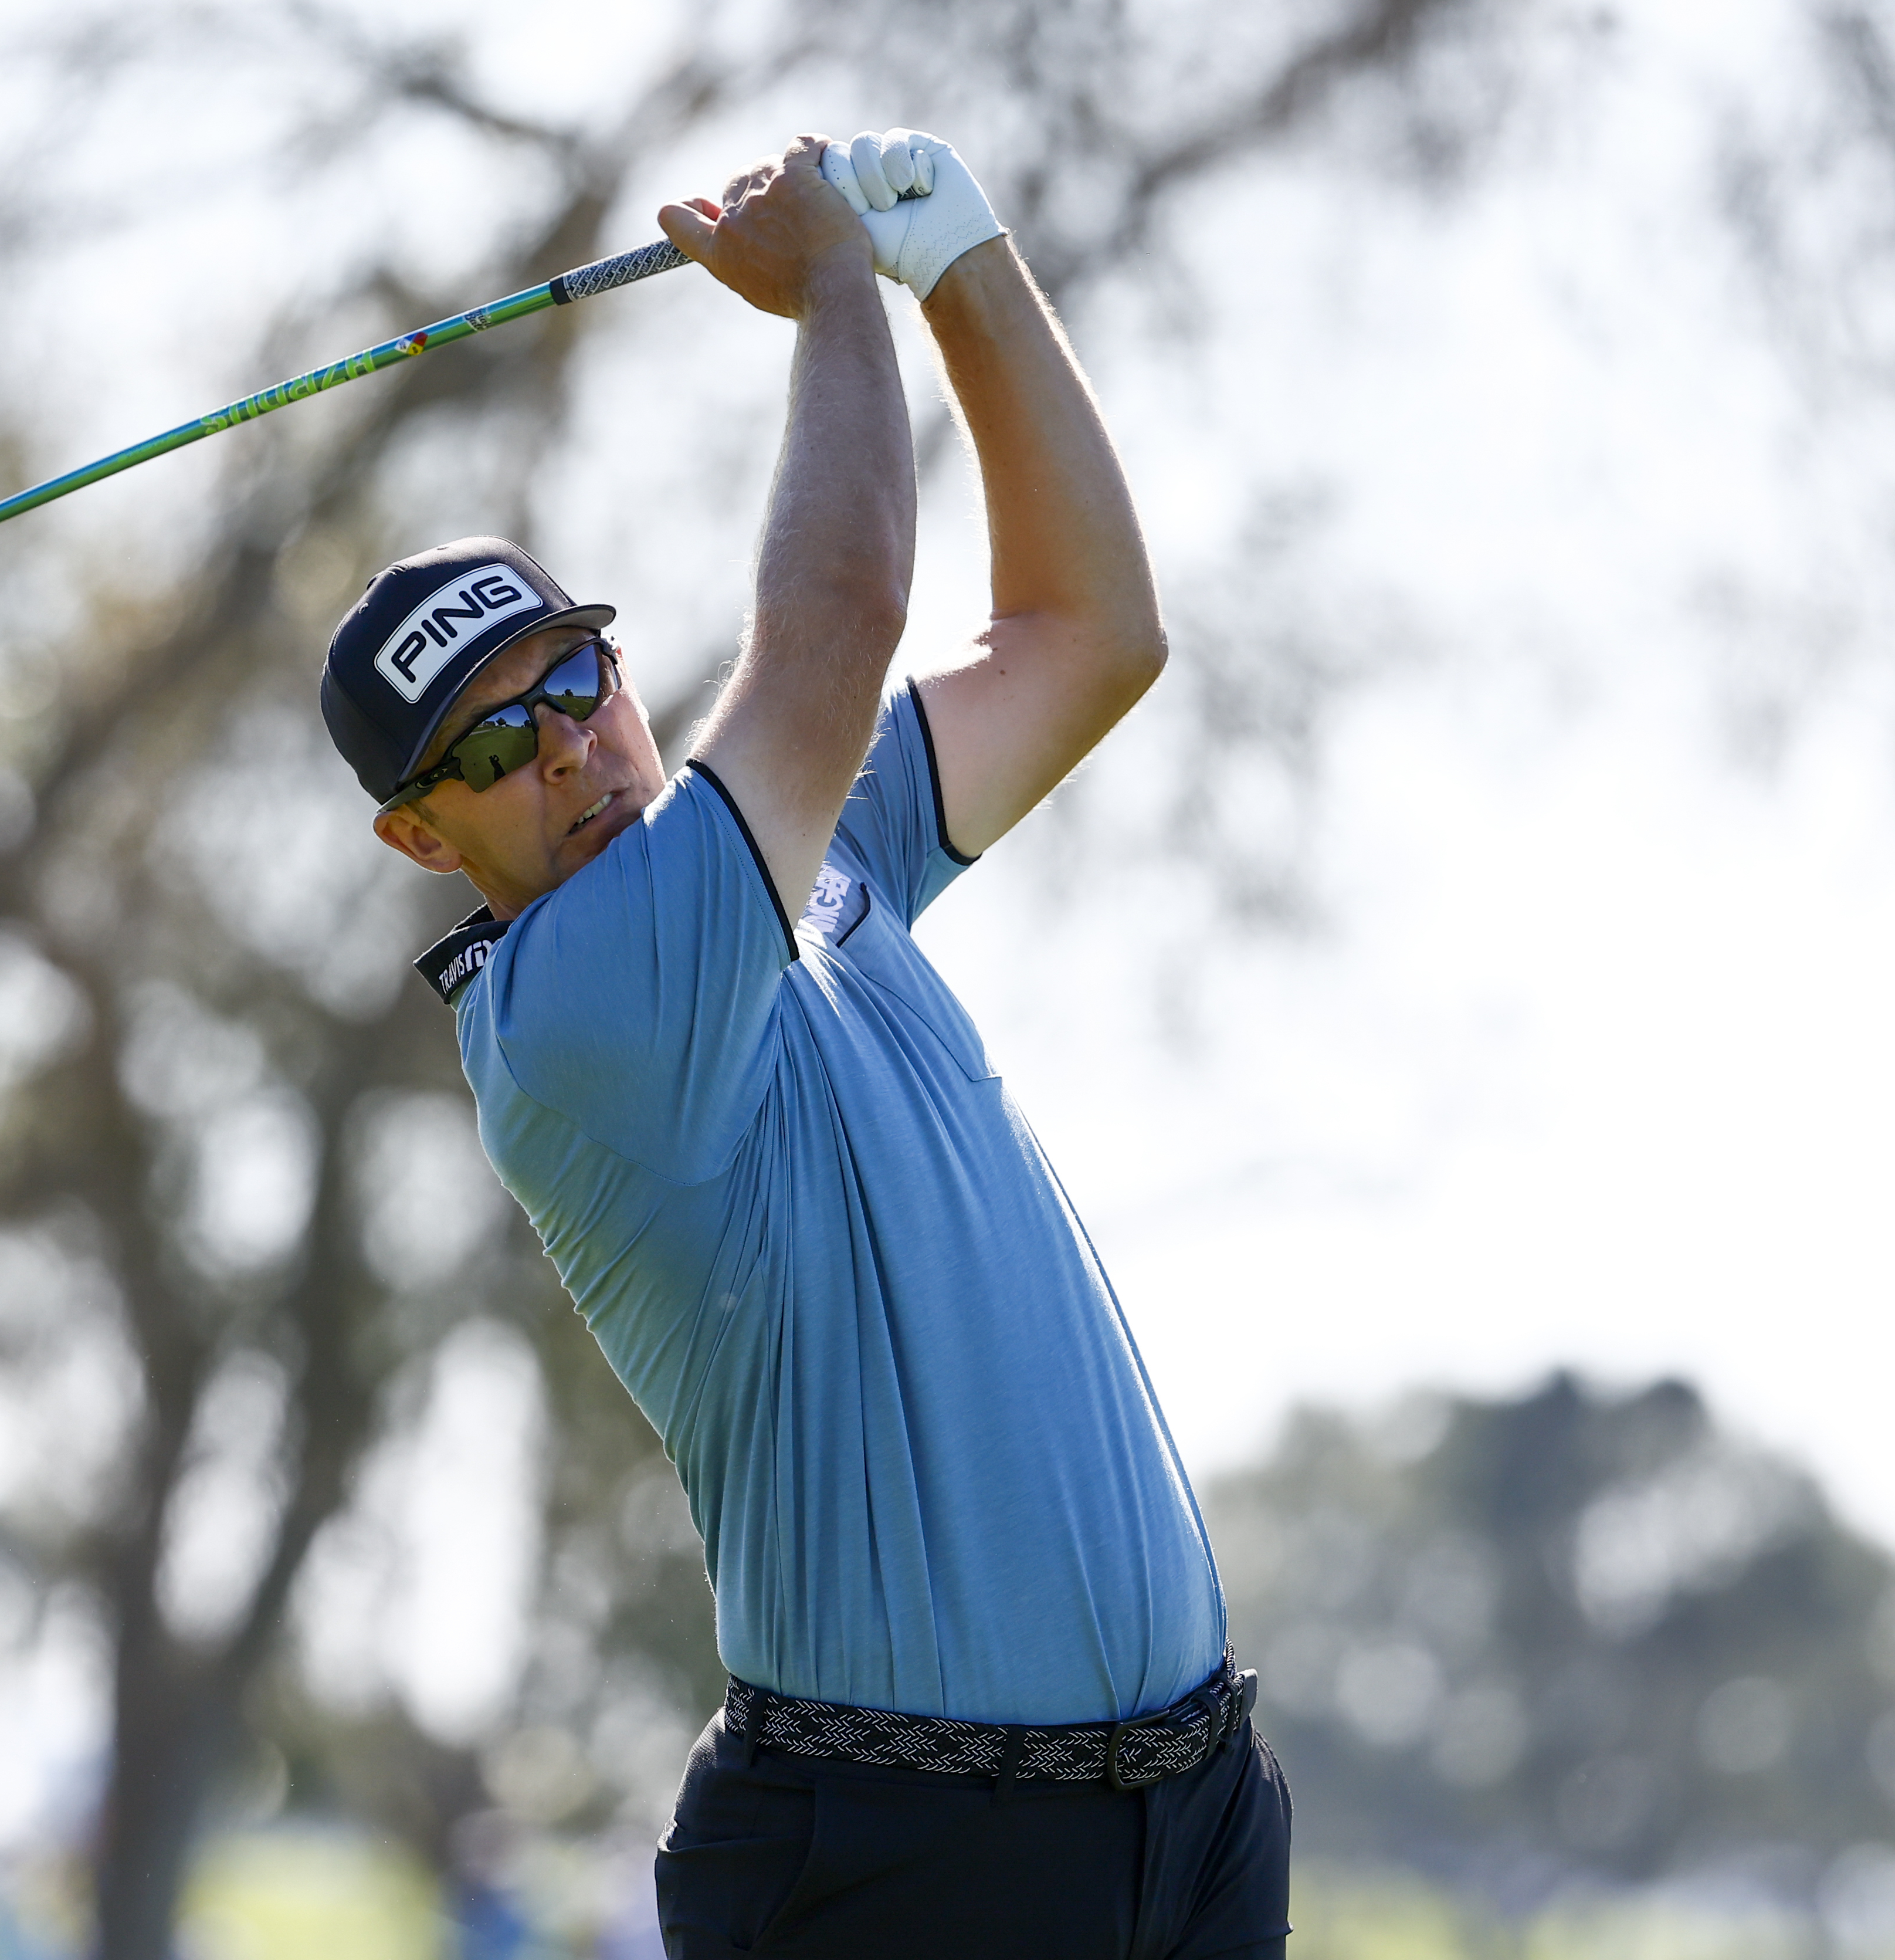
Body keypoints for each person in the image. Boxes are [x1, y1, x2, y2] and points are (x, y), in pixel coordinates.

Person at [316, 130, 1290, 1955]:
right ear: (422, 836)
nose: (559, 751)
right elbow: (838, 618)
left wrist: (967, 268)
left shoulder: (808, 851)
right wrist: (835, 288)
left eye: (571, 681)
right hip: (899, 1857)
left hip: (1191, 1816)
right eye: (481, 749)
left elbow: (1090, 638)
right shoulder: (578, 1004)